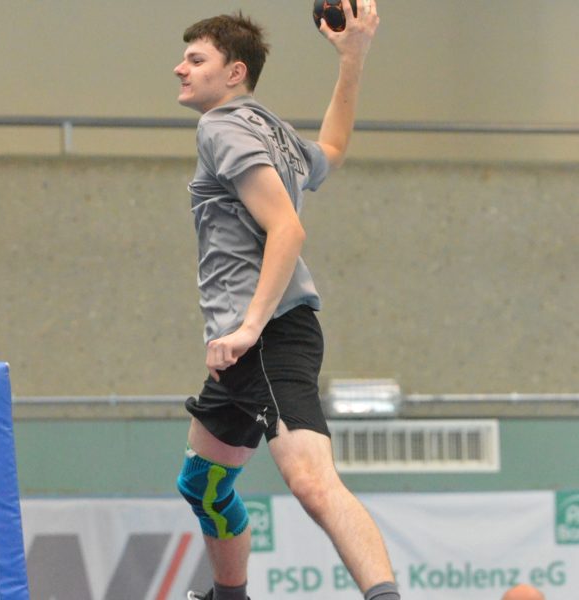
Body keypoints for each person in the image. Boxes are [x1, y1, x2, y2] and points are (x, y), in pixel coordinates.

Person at [174, 3, 399, 600]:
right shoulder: (269, 128)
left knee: (312, 483)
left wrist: (249, 328)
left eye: (195, 59)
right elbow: (334, 147)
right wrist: (353, 59)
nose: (180, 69)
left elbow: (287, 229)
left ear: (234, 72)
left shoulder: (221, 128)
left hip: (263, 336)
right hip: (246, 345)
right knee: (203, 483)